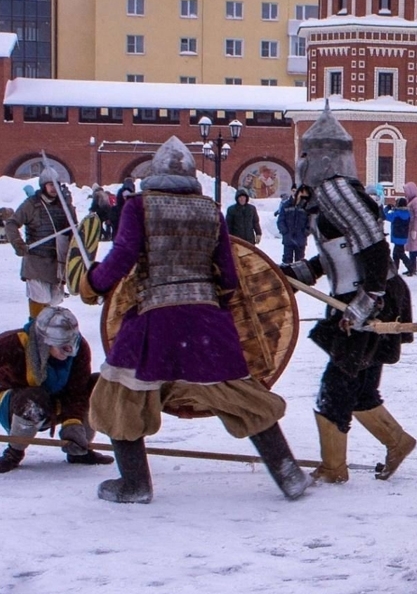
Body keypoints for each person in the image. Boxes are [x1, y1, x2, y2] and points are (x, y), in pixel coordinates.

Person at [79, 136, 311, 504]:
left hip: (153, 321)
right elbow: (230, 276)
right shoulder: (208, 209)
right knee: (241, 395)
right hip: (206, 321)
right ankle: (288, 473)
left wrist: (92, 282)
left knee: (119, 396)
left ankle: (135, 484)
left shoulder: (139, 207)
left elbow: (122, 257)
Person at [281, 106, 415, 484]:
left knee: (336, 383)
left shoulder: (337, 191)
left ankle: (333, 468)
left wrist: (363, 306)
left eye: (306, 156)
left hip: (372, 297)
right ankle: (398, 441)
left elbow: (373, 251)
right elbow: (338, 254)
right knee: (359, 385)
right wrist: (296, 273)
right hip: (361, 295)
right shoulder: (327, 196)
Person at [0, 307, 114, 472]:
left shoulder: (80, 349)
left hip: (56, 402)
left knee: (99, 385)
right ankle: (13, 454)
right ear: (44, 342)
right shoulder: (10, 345)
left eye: (71, 345)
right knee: (34, 398)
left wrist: (72, 425)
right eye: (62, 346)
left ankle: (79, 449)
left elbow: (77, 391)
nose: (68, 352)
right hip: (13, 404)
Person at [4, 165, 74, 318]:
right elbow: (11, 223)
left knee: (55, 300)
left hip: (57, 262)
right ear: (43, 186)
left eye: (56, 185)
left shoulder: (64, 206)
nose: (54, 188)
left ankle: (48, 331)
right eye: (50, 185)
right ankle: (34, 331)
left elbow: (74, 231)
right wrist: (18, 243)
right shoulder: (31, 204)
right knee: (40, 299)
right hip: (36, 261)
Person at [276, 185, 311, 264]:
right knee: (287, 260)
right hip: (288, 239)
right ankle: (287, 275)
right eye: (294, 191)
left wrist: (306, 232)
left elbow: (310, 221)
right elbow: (280, 220)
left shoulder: (306, 206)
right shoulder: (286, 205)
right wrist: (285, 232)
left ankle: (298, 276)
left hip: (301, 239)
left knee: (300, 261)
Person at [385, 197, 414, 274]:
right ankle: (396, 269)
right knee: (396, 254)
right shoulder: (408, 214)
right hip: (404, 236)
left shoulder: (395, 214)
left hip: (396, 236)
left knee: (400, 254)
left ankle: (411, 267)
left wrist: (387, 208)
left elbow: (384, 216)